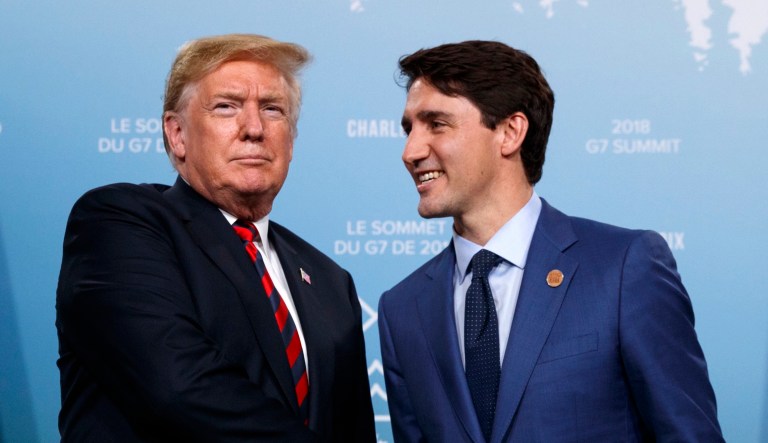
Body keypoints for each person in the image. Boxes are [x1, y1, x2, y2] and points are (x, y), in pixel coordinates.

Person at [378, 40, 723, 442]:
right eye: (409, 128)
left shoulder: (624, 269)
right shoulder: (402, 309)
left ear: (510, 132)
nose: (410, 151)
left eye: (436, 123)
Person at [56, 34, 375, 442]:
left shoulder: (331, 282)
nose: (254, 128)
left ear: (291, 142)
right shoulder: (119, 223)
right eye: (226, 107)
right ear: (177, 134)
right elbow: (178, 387)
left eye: (273, 110)